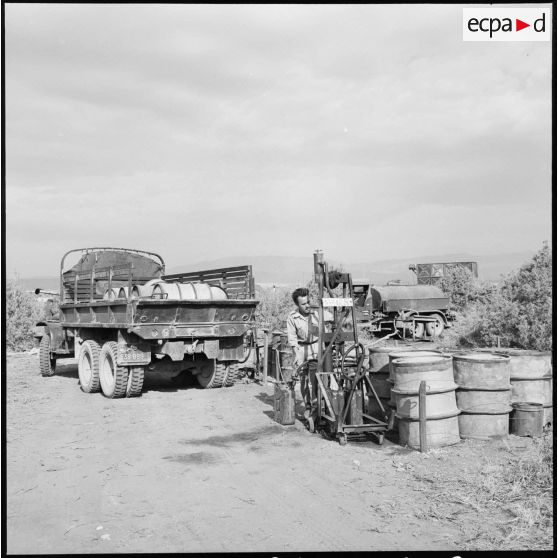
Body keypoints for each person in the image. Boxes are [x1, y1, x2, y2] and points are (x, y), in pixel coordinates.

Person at [286, 288, 331, 424]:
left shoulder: (317, 314)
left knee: (317, 380)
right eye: (303, 304)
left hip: (316, 347)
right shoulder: (292, 317)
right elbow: (292, 338)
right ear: (297, 305)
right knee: (304, 381)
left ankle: (318, 408)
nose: (307, 306)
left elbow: (332, 321)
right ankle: (308, 406)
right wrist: (296, 355)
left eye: (308, 302)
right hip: (301, 349)